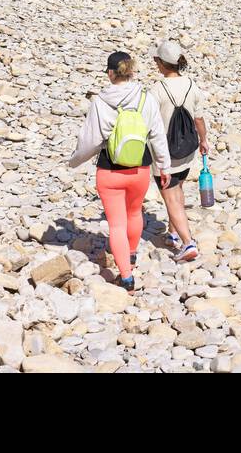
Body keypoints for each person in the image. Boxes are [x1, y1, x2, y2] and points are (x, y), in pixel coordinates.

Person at [67, 50, 170, 290]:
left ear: (111, 73)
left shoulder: (101, 101)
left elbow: (91, 140)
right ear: (132, 72)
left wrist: (74, 161)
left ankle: (125, 276)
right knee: (135, 214)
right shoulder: (146, 98)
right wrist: (164, 166)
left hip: (109, 169)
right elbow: (157, 136)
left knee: (116, 224)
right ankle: (132, 254)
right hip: (140, 168)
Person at [148, 39, 209, 263]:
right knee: (178, 189)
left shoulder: (157, 89)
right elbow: (199, 118)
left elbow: (149, 123)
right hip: (187, 149)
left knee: (170, 198)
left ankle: (187, 243)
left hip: (164, 153)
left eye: (156, 60)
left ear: (163, 63)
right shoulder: (191, 85)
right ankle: (172, 234)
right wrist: (204, 141)